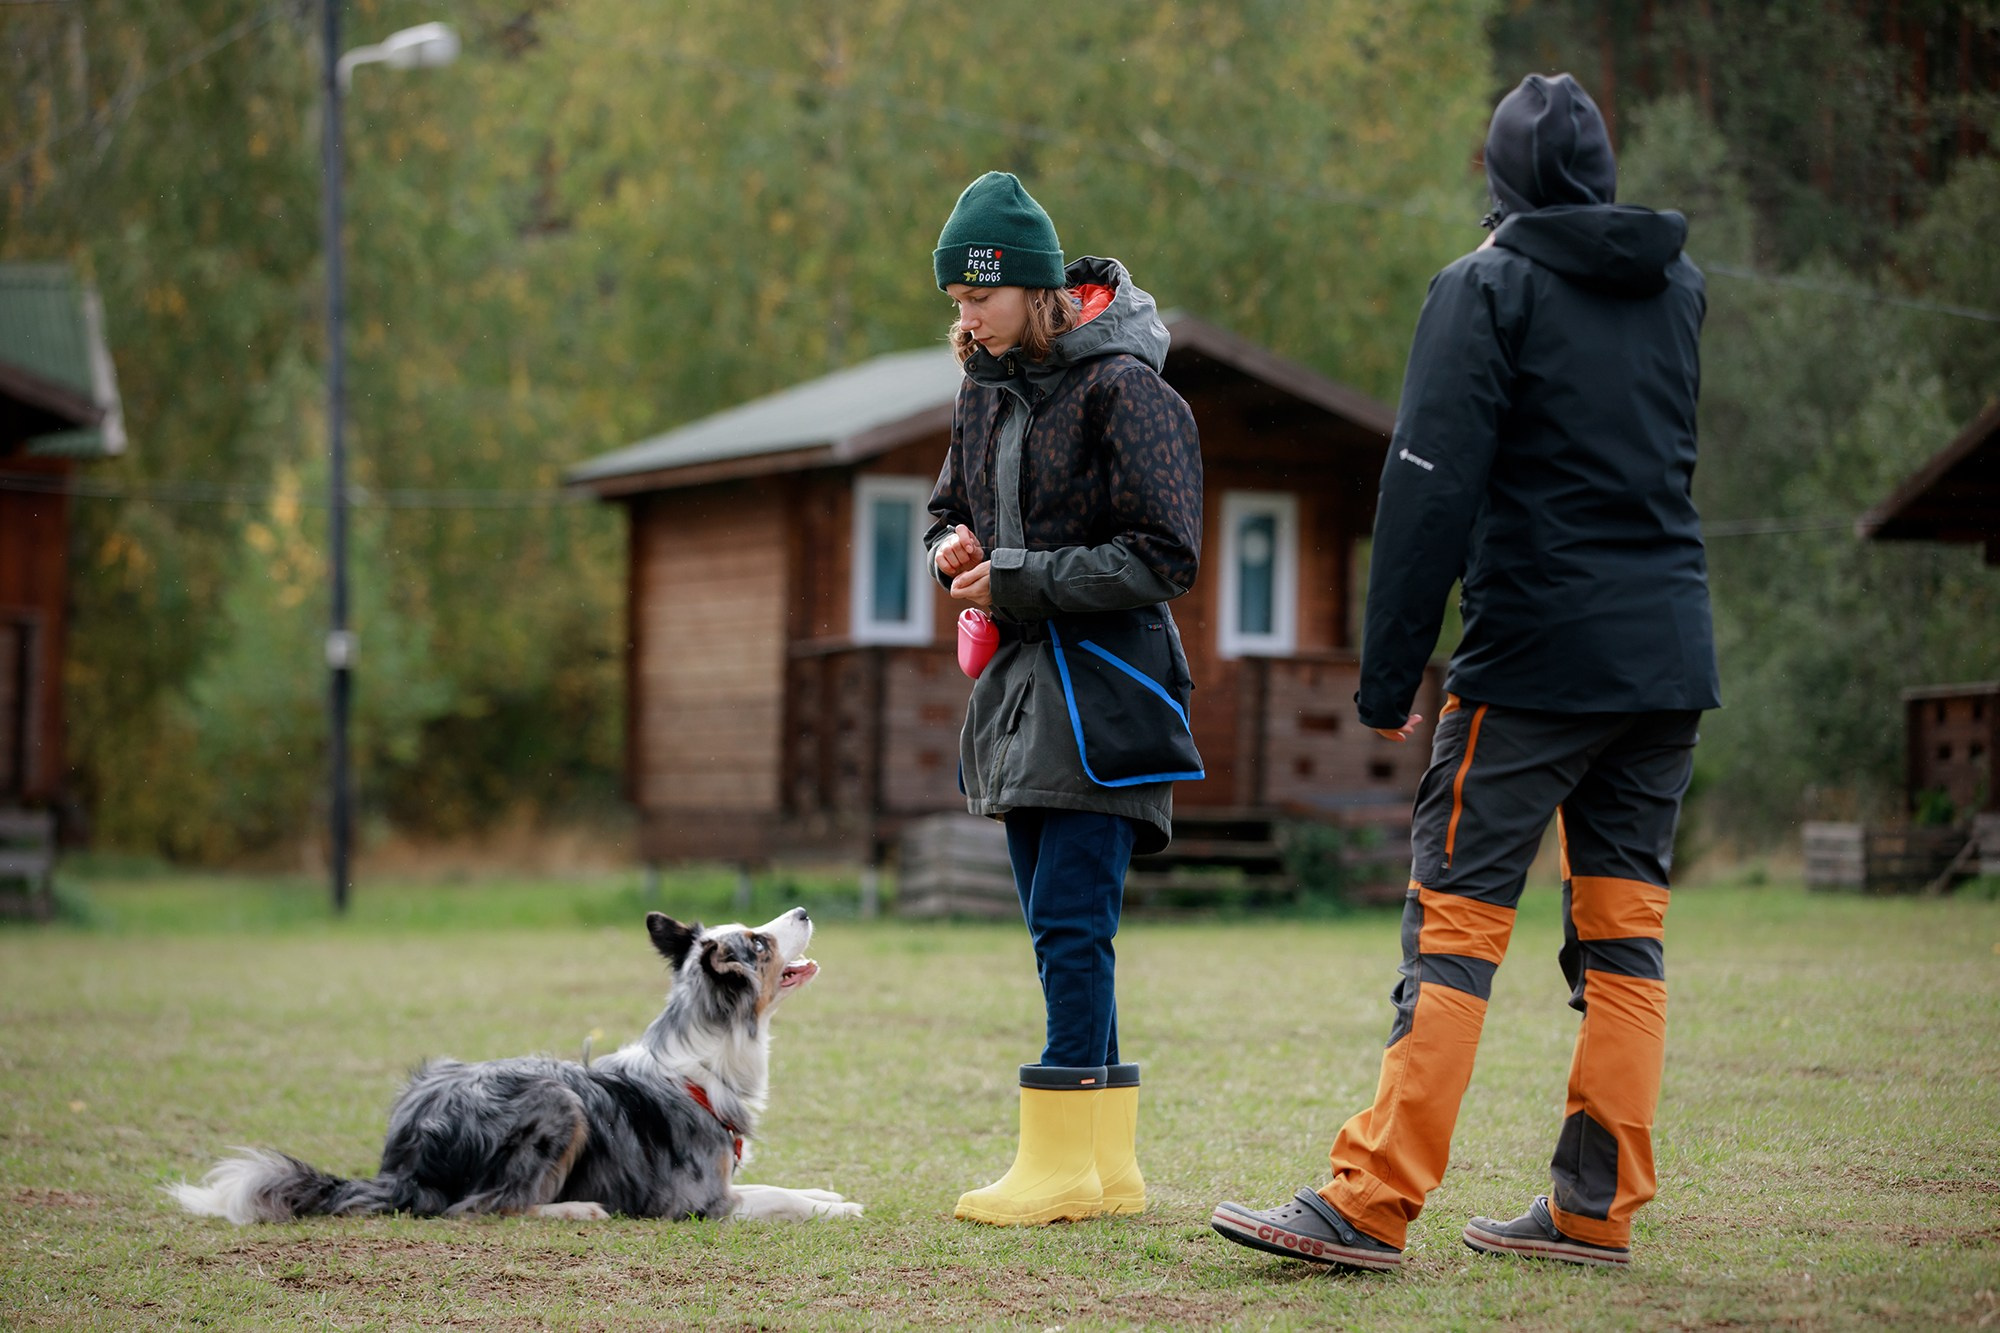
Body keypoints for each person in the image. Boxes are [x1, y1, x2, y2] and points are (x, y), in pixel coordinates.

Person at [1210, 73, 1719, 1271]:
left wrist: (1388, 675)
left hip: (1534, 660)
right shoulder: (1676, 288)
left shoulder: (1483, 286)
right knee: (1622, 938)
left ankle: (1369, 1198)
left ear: (1496, 182)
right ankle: (1593, 1207)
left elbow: (1425, 487)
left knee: (1454, 926)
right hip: (1666, 659)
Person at [924, 170, 1204, 1226]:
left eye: (978, 297)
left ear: (1034, 289)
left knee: (1070, 926)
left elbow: (1165, 555)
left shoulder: (1129, 391)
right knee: (1062, 929)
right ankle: (1106, 1167)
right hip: (1020, 691)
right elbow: (948, 502)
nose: (965, 317)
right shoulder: (982, 386)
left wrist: (1022, 577)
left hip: (1107, 691)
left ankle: (1058, 1165)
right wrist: (946, 544)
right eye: (954, 301)